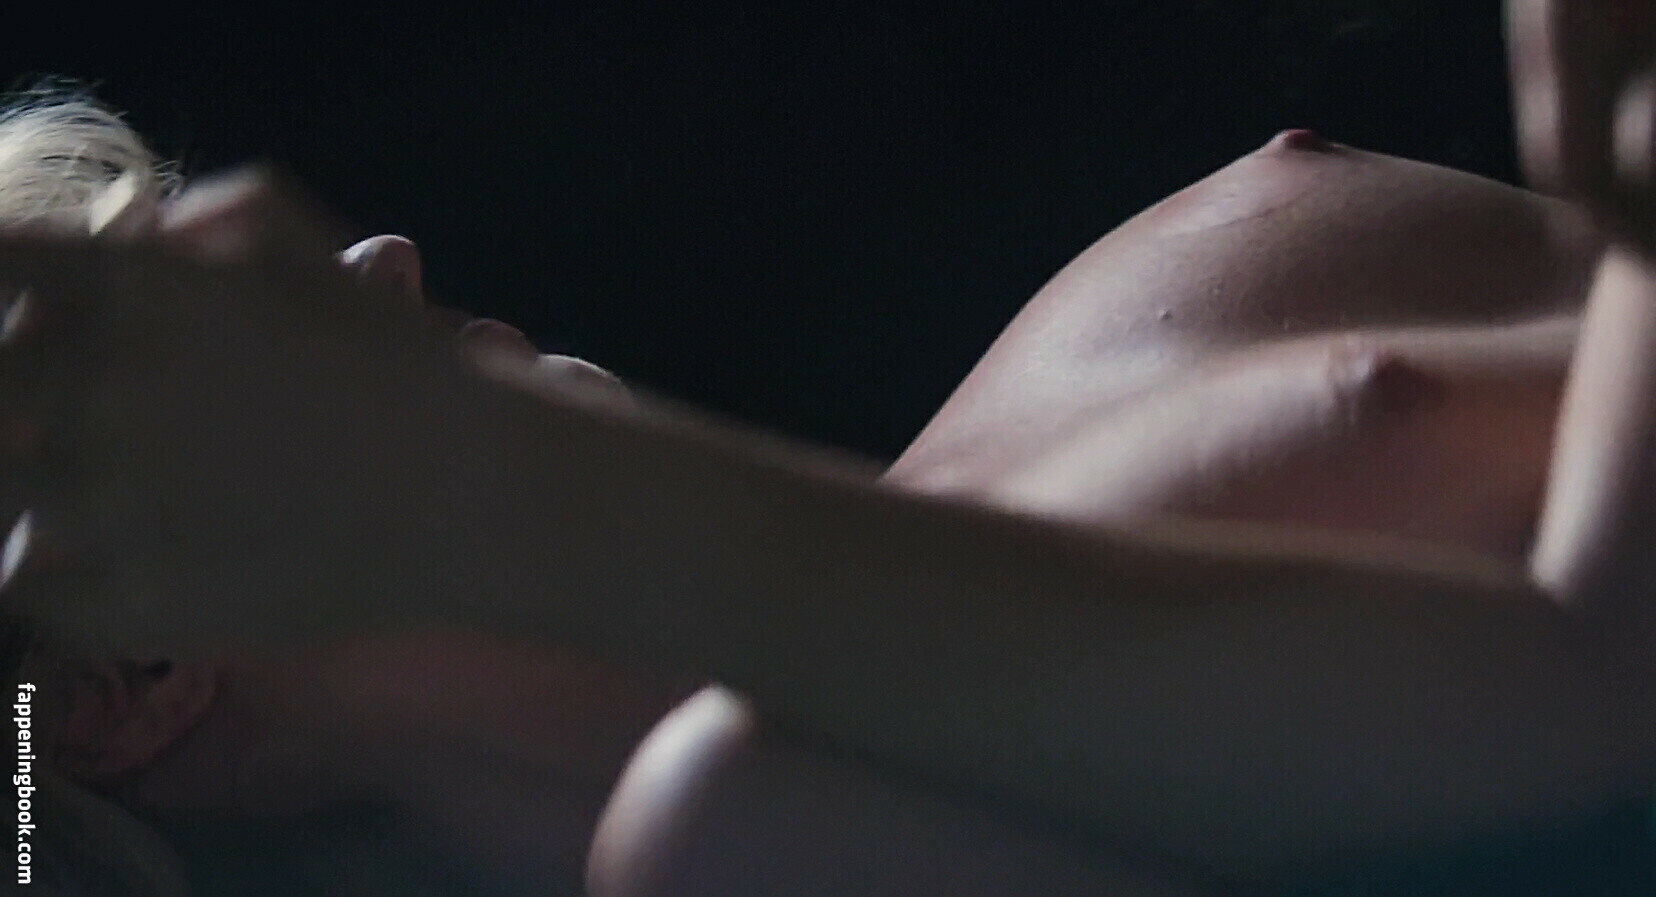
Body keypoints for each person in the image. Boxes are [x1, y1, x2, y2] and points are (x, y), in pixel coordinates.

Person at [9, 1, 1656, 893]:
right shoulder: (743, 845)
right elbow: (1595, 686)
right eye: (180, 315)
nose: (374, 260)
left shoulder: (989, 439)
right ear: (123, 675)